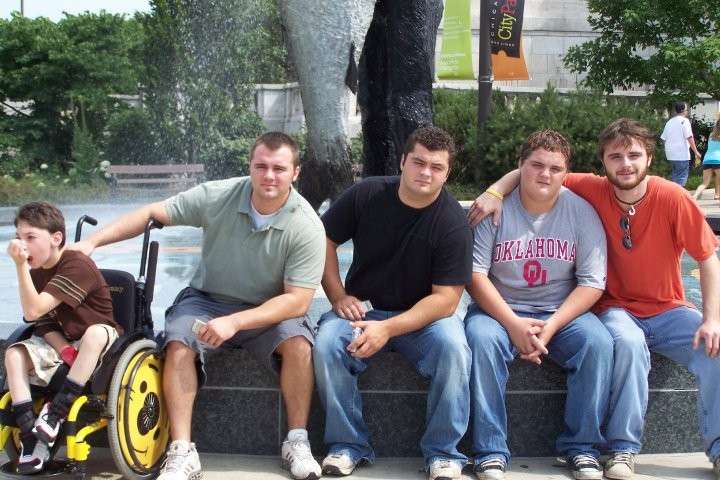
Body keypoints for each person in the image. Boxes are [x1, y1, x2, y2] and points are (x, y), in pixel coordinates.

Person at [468, 118, 720, 480]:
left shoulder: (669, 198)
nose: (626, 164)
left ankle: (711, 448)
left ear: (650, 158)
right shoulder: (587, 190)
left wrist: (712, 319)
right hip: (609, 309)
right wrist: (495, 192)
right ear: (603, 162)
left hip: (663, 309)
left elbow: (708, 258)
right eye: (615, 157)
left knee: (709, 347)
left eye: (634, 155)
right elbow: (534, 170)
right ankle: (613, 450)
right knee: (622, 344)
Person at [70, 132, 326, 480]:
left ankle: (296, 441)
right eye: (261, 166)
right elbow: (152, 213)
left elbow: (298, 300)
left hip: (269, 308)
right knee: (178, 342)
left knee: (299, 344)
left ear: (295, 173)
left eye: (279, 169)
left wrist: (236, 322)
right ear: (250, 166)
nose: (269, 176)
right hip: (207, 301)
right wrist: (92, 243)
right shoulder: (218, 195)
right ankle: (181, 451)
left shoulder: (307, 225)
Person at [313, 126, 473, 480]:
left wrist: (386, 328)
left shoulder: (453, 224)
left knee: (454, 349)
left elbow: (446, 301)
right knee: (327, 344)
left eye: (436, 167)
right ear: (402, 161)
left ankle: (443, 453)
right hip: (363, 309)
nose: (426, 173)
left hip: (425, 319)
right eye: (418, 162)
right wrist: (338, 295)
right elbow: (322, 238)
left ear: (447, 174)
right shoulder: (367, 194)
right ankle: (347, 445)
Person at [465, 130, 612, 480]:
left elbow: (592, 282)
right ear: (520, 166)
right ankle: (489, 451)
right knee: (481, 340)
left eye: (555, 168)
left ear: (566, 173)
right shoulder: (493, 208)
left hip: (559, 312)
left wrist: (553, 325)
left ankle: (582, 448)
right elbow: (474, 275)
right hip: (499, 310)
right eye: (536, 165)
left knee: (598, 343)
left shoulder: (581, 212)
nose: (545, 174)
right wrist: (513, 324)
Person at [5, 202, 121, 474]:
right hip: (64, 340)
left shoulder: (77, 265)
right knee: (14, 353)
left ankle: (56, 413)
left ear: (56, 238)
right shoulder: (36, 272)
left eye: (31, 237)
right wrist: (64, 349)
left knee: (94, 333)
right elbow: (42, 320)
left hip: (102, 341)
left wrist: (19, 266)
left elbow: (33, 310)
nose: (23, 245)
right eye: (19, 237)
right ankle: (30, 435)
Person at [661, 102, 702, 186]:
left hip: (670, 155)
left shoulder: (669, 122)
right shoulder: (685, 121)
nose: (687, 111)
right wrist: (696, 152)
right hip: (681, 154)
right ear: (683, 110)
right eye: (687, 109)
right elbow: (689, 137)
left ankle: (673, 193)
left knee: (675, 176)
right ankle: (678, 194)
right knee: (681, 177)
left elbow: (663, 138)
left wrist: (668, 149)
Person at [693, 117, 720, 201]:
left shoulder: (711, 135)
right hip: (718, 160)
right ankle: (717, 196)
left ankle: (694, 196)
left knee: (705, 183)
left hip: (707, 160)